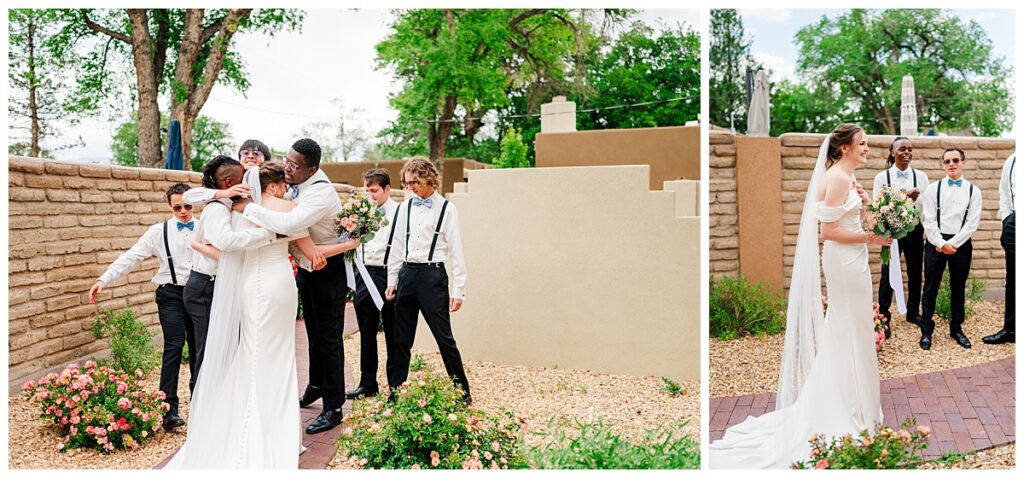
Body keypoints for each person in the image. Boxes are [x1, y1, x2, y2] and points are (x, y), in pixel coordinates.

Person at [710, 124, 891, 469]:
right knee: (847, 328)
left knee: (851, 329)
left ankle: (856, 401)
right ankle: (845, 407)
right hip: (843, 263)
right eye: (862, 144)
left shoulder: (847, 178)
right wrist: (871, 240)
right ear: (845, 149)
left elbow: (853, 221)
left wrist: (872, 212)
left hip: (854, 262)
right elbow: (828, 232)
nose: (867, 148)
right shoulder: (837, 178)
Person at [169, 161, 347, 468]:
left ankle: (263, 429)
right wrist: (349, 241)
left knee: (260, 355)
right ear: (277, 185)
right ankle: (268, 433)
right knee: (271, 356)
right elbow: (307, 247)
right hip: (277, 282)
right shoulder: (280, 206)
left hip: (257, 283)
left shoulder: (235, 206)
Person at [235, 138, 350, 434]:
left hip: (328, 269)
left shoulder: (320, 194)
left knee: (330, 339)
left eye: (294, 165)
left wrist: (249, 209)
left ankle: (334, 407)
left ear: (312, 169)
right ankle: (315, 386)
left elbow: (291, 223)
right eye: (287, 160)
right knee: (312, 331)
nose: (287, 167)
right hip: (309, 265)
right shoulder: (295, 183)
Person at [88, 183, 201, 431]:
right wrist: (103, 279)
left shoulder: (205, 227)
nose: (183, 211)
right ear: (170, 207)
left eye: (188, 206)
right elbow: (132, 256)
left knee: (198, 348)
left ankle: (202, 404)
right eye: (177, 207)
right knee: (173, 346)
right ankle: (168, 410)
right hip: (170, 293)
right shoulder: (157, 232)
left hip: (199, 294)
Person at [183, 156, 280, 397]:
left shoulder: (229, 207)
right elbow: (226, 242)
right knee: (208, 351)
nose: (247, 181)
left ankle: (218, 400)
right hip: (204, 287)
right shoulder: (217, 209)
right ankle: (203, 404)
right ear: (229, 183)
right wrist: (267, 236)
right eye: (242, 178)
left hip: (217, 285)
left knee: (221, 347)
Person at [385, 157, 471, 405]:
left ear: (428, 178)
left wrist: (459, 290)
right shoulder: (404, 208)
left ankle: (462, 391)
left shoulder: (447, 209)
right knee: (401, 339)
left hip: (433, 277)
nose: (410, 187)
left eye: (414, 182)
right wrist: (392, 280)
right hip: (408, 275)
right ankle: (397, 392)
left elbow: (456, 251)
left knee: (444, 338)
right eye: (407, 182)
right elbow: (397, 246)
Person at [340, 168, 401, 399]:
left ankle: (396, 385)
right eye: (367, 190)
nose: (370, 195)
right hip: (364, 275)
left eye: (374, 190)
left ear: (387, 189)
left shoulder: (399, 212)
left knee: (393, 332)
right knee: (366, 331)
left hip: (389, 275)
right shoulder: (362, 212)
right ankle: (368, 383)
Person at [917, 147, 982, 350]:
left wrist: (953, 243)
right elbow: (927, 219)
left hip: (961, 244)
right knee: (930, 287)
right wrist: (940, 243)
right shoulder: (932, 189)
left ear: (964, 162)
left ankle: (956, 328)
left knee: (958, 287)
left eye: (955, 160)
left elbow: (972, 223)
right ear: (943, 165)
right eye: (947, 161)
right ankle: (926, 330)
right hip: (936, 243)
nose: (951, 164)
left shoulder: (974, 191)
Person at [871, 137, 929, 337]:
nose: (907, 152)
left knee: (915, 272)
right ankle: (884, 317)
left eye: (910, 149)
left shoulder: (921, 176)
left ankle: (913, 313)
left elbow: (926, 206)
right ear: (892, 151)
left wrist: (917, 199)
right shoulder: (881, 178)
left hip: (914, 229)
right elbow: (877, 206)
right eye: (902, 149)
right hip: (891, 232)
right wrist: (903, 198)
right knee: (887, 274)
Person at [984, 153, 1016, 344]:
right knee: (1013, 279)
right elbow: (1004, 191)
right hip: (1014, 223)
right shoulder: (1011, 160)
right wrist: (1006, 218)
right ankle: (1011, 330)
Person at [182, 139, 270, 206]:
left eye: (256, 153)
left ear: (266, 159)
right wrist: (225, 193)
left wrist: (248, 209)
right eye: (246, 153)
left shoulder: (272, 180)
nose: (250, 156)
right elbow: (187, 197)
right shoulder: (233, 179)